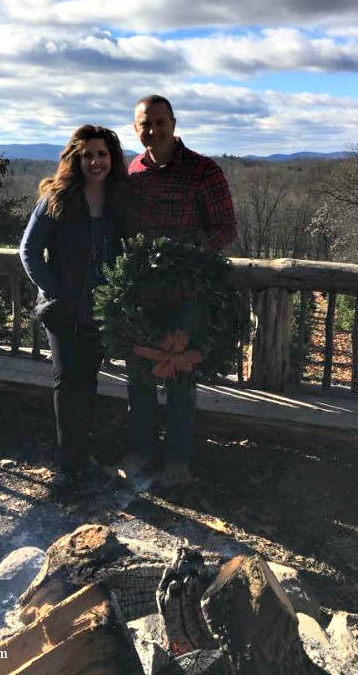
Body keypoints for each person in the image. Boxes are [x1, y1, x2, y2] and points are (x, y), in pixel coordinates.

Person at [122, 95, 237, 488]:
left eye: (158, 122)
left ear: (173, 123)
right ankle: (139, 455)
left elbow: (225, 229)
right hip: (142, 297)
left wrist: (183, 257)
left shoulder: (204, 172)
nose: (151, 130)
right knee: (138, 376)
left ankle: (178, 463)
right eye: (144, 124)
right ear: (135, 128)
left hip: (186, 296)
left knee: (180, 377)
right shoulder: (134, 169)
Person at [19, 125, 128, 489]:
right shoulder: (57, 198)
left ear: (112, 159)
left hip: (101, 309)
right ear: (76, 159)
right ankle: (68, 468)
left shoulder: (117, 202)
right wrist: (56, 291)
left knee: (88, 380)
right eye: (88, 155)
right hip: (63, 310)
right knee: (67, 383)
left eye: (102, 155)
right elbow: (28, 251)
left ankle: (83, 457)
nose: (96, 162)